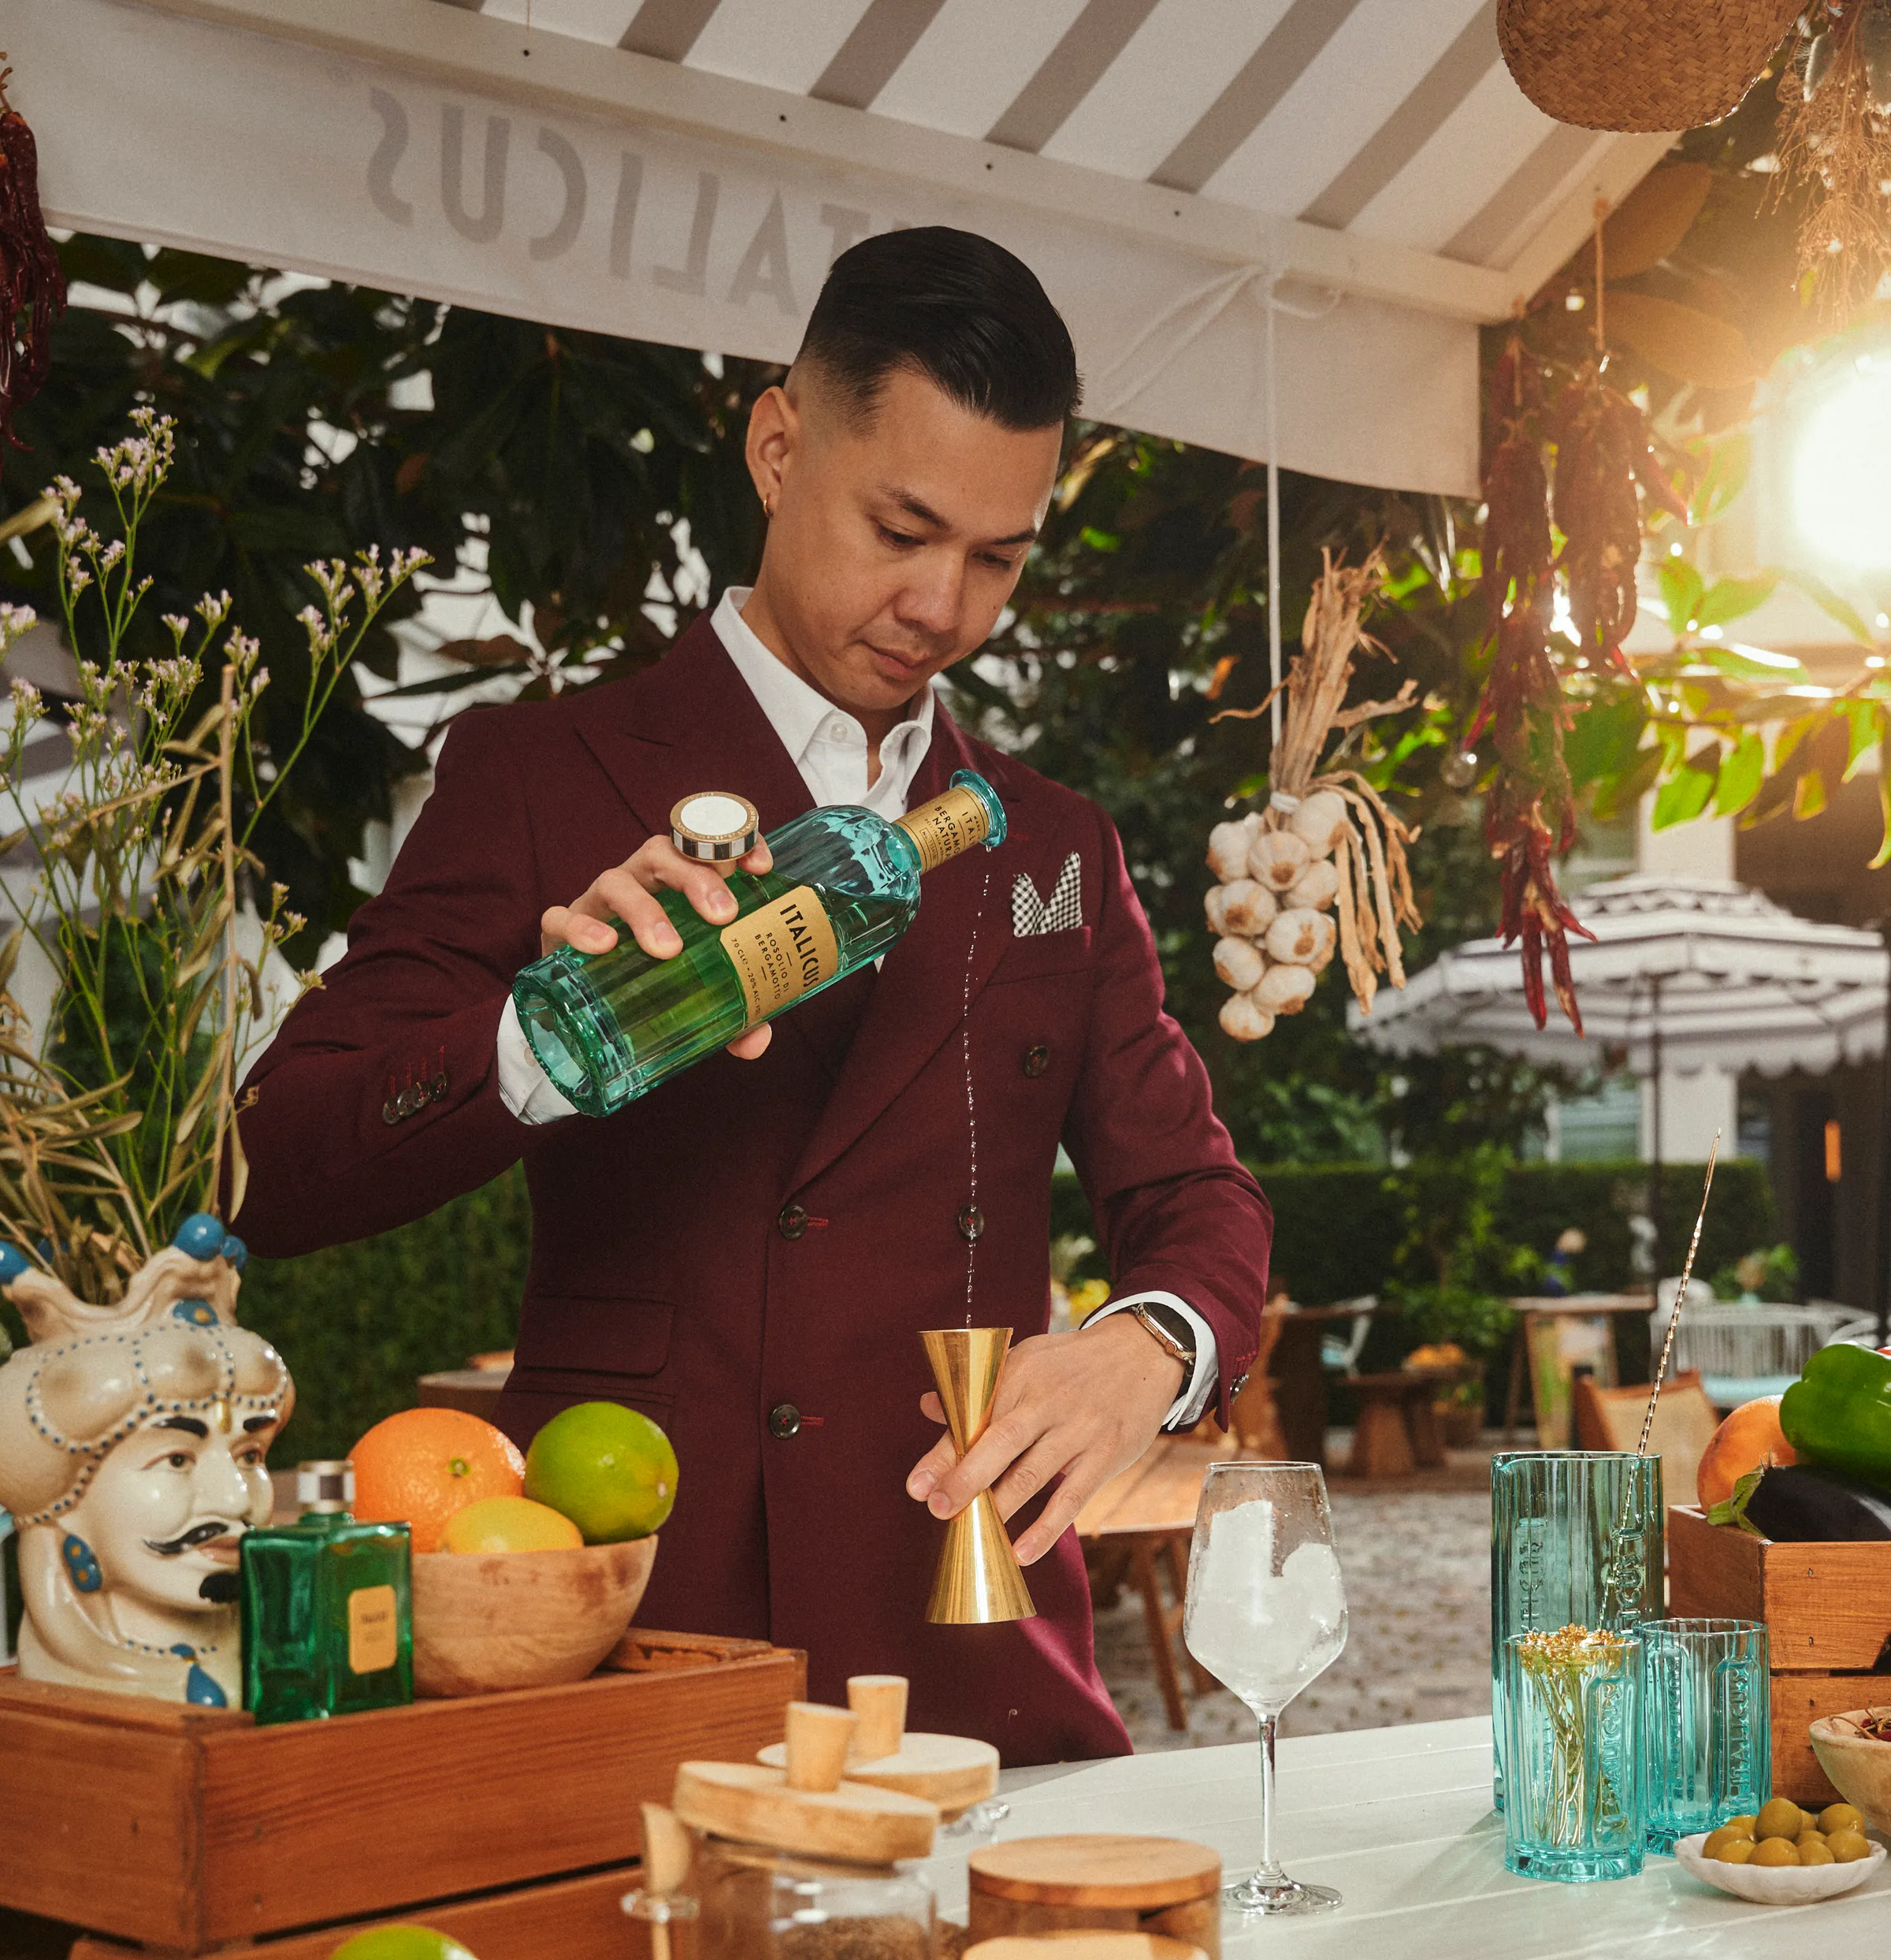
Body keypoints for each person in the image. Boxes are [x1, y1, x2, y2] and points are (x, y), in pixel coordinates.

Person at [237, 227, 1272, 1762]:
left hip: (974, 1646)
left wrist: (1154, 1346)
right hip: (649, 1637)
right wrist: (540, 1034)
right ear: (779, 446)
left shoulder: (1056, 841)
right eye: (902, 528)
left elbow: (1197, 1194)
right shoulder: (542, 779)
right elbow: (273, 1165)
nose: (943, 606)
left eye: (997, 557)